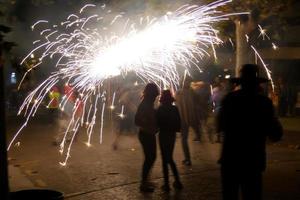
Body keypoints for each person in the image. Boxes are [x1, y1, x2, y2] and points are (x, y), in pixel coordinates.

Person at [217, 64, 283, 200]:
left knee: (229, 195)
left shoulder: (229, 99)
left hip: (230, 158)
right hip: (253, 160)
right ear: (257, 84)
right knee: (252, 195)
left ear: (240, 82)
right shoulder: (264, 103)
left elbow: (220, 125)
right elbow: (276, 134)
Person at [135, 83, 159, 192]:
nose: (155, 98)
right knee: (150, 158)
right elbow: (137, 120)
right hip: (145, 134)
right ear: (151, 94)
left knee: (151, 157)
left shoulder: (148, 103)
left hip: (149, 134)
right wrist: (148, 122)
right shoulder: (144, 104)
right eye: (154, 95)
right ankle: (143, 184)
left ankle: (146, 181)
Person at [156, 90, 183, 192]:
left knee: (165, 159)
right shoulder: (174, 109)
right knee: (170, 158)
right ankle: (177, 181)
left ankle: (167, 184)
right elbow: (178, 124)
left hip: (163, 135)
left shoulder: (160, 109)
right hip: (171, 135)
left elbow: (157, 123)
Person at [176, 78, 201, 166]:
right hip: (186, 118)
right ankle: (187, 158)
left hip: (187, 118)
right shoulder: (186, 92)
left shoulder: (182, 93)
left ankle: (187, 159)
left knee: (184, 139)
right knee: (184, 139)